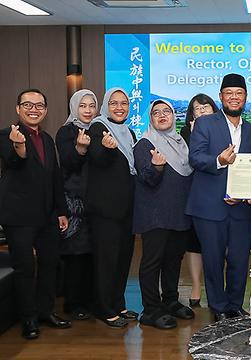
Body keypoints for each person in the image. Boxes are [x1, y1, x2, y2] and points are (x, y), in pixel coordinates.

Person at [0, 89, 71, 339]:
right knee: (25, 268)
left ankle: (45, 312)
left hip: (48, 216)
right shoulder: (7, 134)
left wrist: (62, 211)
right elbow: (13, 161)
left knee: (51, 264)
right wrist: (19, 146)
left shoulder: (48, 139)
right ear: (18, 108)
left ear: (46, 110)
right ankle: (28, 319)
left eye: (40, 105)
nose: (34, 109)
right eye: (28, 105)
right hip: (18, 217)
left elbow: (55, 177)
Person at [185, 74, 251, 322]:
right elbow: (196, 157)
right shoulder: (205, 124)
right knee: (213, 260)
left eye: (239, 93)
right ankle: (218, 307)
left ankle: (235, 305)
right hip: (209, 206)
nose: (234, 97)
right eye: (229, 93)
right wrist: (219, 161)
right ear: (221, 96)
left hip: (241, 208)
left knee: (239, 259)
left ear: (245, 97)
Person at [134, 99, 195, 329]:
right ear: (150, 118)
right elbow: (146, 178)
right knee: (152, 261)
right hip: (155, 214)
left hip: (179, 212)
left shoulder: (181, 144)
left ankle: (170, 301)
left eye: (166, 111)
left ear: (173, 116)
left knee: (173, 258)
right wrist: (157, 166)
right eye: (156, 112)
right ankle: (150, 309)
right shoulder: (145, 143)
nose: (162, 115)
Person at [86, 87, 138, 328]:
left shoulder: (128, 132)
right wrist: (107, 149)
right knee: (106, 260)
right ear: (106, 105)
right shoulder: (97, 127)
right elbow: (96, 159)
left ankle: (118, 303)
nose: (119, 107)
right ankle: (104, 308)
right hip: (105, 209)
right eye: (114, 103)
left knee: (122, 258)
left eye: (124, 103)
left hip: (126, 208)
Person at [55, 89, 98, 321]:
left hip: (96, 202)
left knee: (93, 254)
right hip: (75, 204)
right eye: (83, 106)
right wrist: (80, 148)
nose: (88, 110)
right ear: (74, 108)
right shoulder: (66, 131)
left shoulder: (100, 129)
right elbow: (68, 163)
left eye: (92, 105)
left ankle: (90, 300)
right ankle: (74, 303)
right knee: (75, 255)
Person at [180, 93, 218, 307]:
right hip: (194, 194)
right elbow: (188, 162)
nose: (202, 111)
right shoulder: (185, 132)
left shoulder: (222, 129)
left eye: (206, 107)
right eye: (198, 108)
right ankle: (195, 286)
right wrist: (195, 136)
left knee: (216, 244)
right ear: (191, 114)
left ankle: (215, 289)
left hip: (218, 194)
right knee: (194, 243)